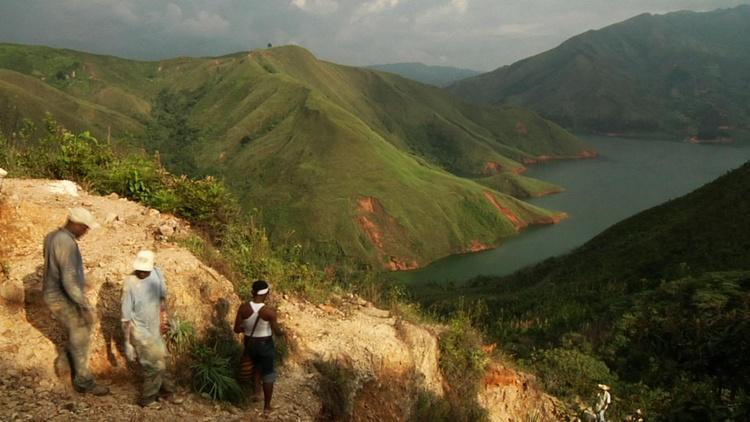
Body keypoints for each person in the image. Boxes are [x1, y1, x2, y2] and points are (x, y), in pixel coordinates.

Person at [42, 207, 109, 395]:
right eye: (85, 228)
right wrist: (83, 304)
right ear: (76, 224)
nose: (86, 232)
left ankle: (66, 364)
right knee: (81, 332)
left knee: (77, 332)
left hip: (54, 293)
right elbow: (69, 278)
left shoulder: (52, 236)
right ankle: (83, 381)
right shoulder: (66, 242)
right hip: (61, 296)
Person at [121, 250, 174, 406]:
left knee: (163, 360)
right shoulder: (130, 283)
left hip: (155, 329)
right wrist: (127, 342)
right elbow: (126, 317)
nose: (142, 273)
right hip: (140, 332)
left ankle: (167, 393)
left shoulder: (157, 273)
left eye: (146, 270)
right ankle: (147, 399)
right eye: (140, 270)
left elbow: (162, 299)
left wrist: (166, 318)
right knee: (154, 367)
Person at [234, 280, 283, 416]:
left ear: (253, 292)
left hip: (249, 344)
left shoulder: (243, 308)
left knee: (255, 366)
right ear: (266, 293)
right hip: (265, 344)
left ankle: (256, 393)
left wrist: (246, 327)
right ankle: (267, 407)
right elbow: (277, 332)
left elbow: (236, 329)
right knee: (268, 373)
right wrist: (283, 332)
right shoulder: (269, 312)